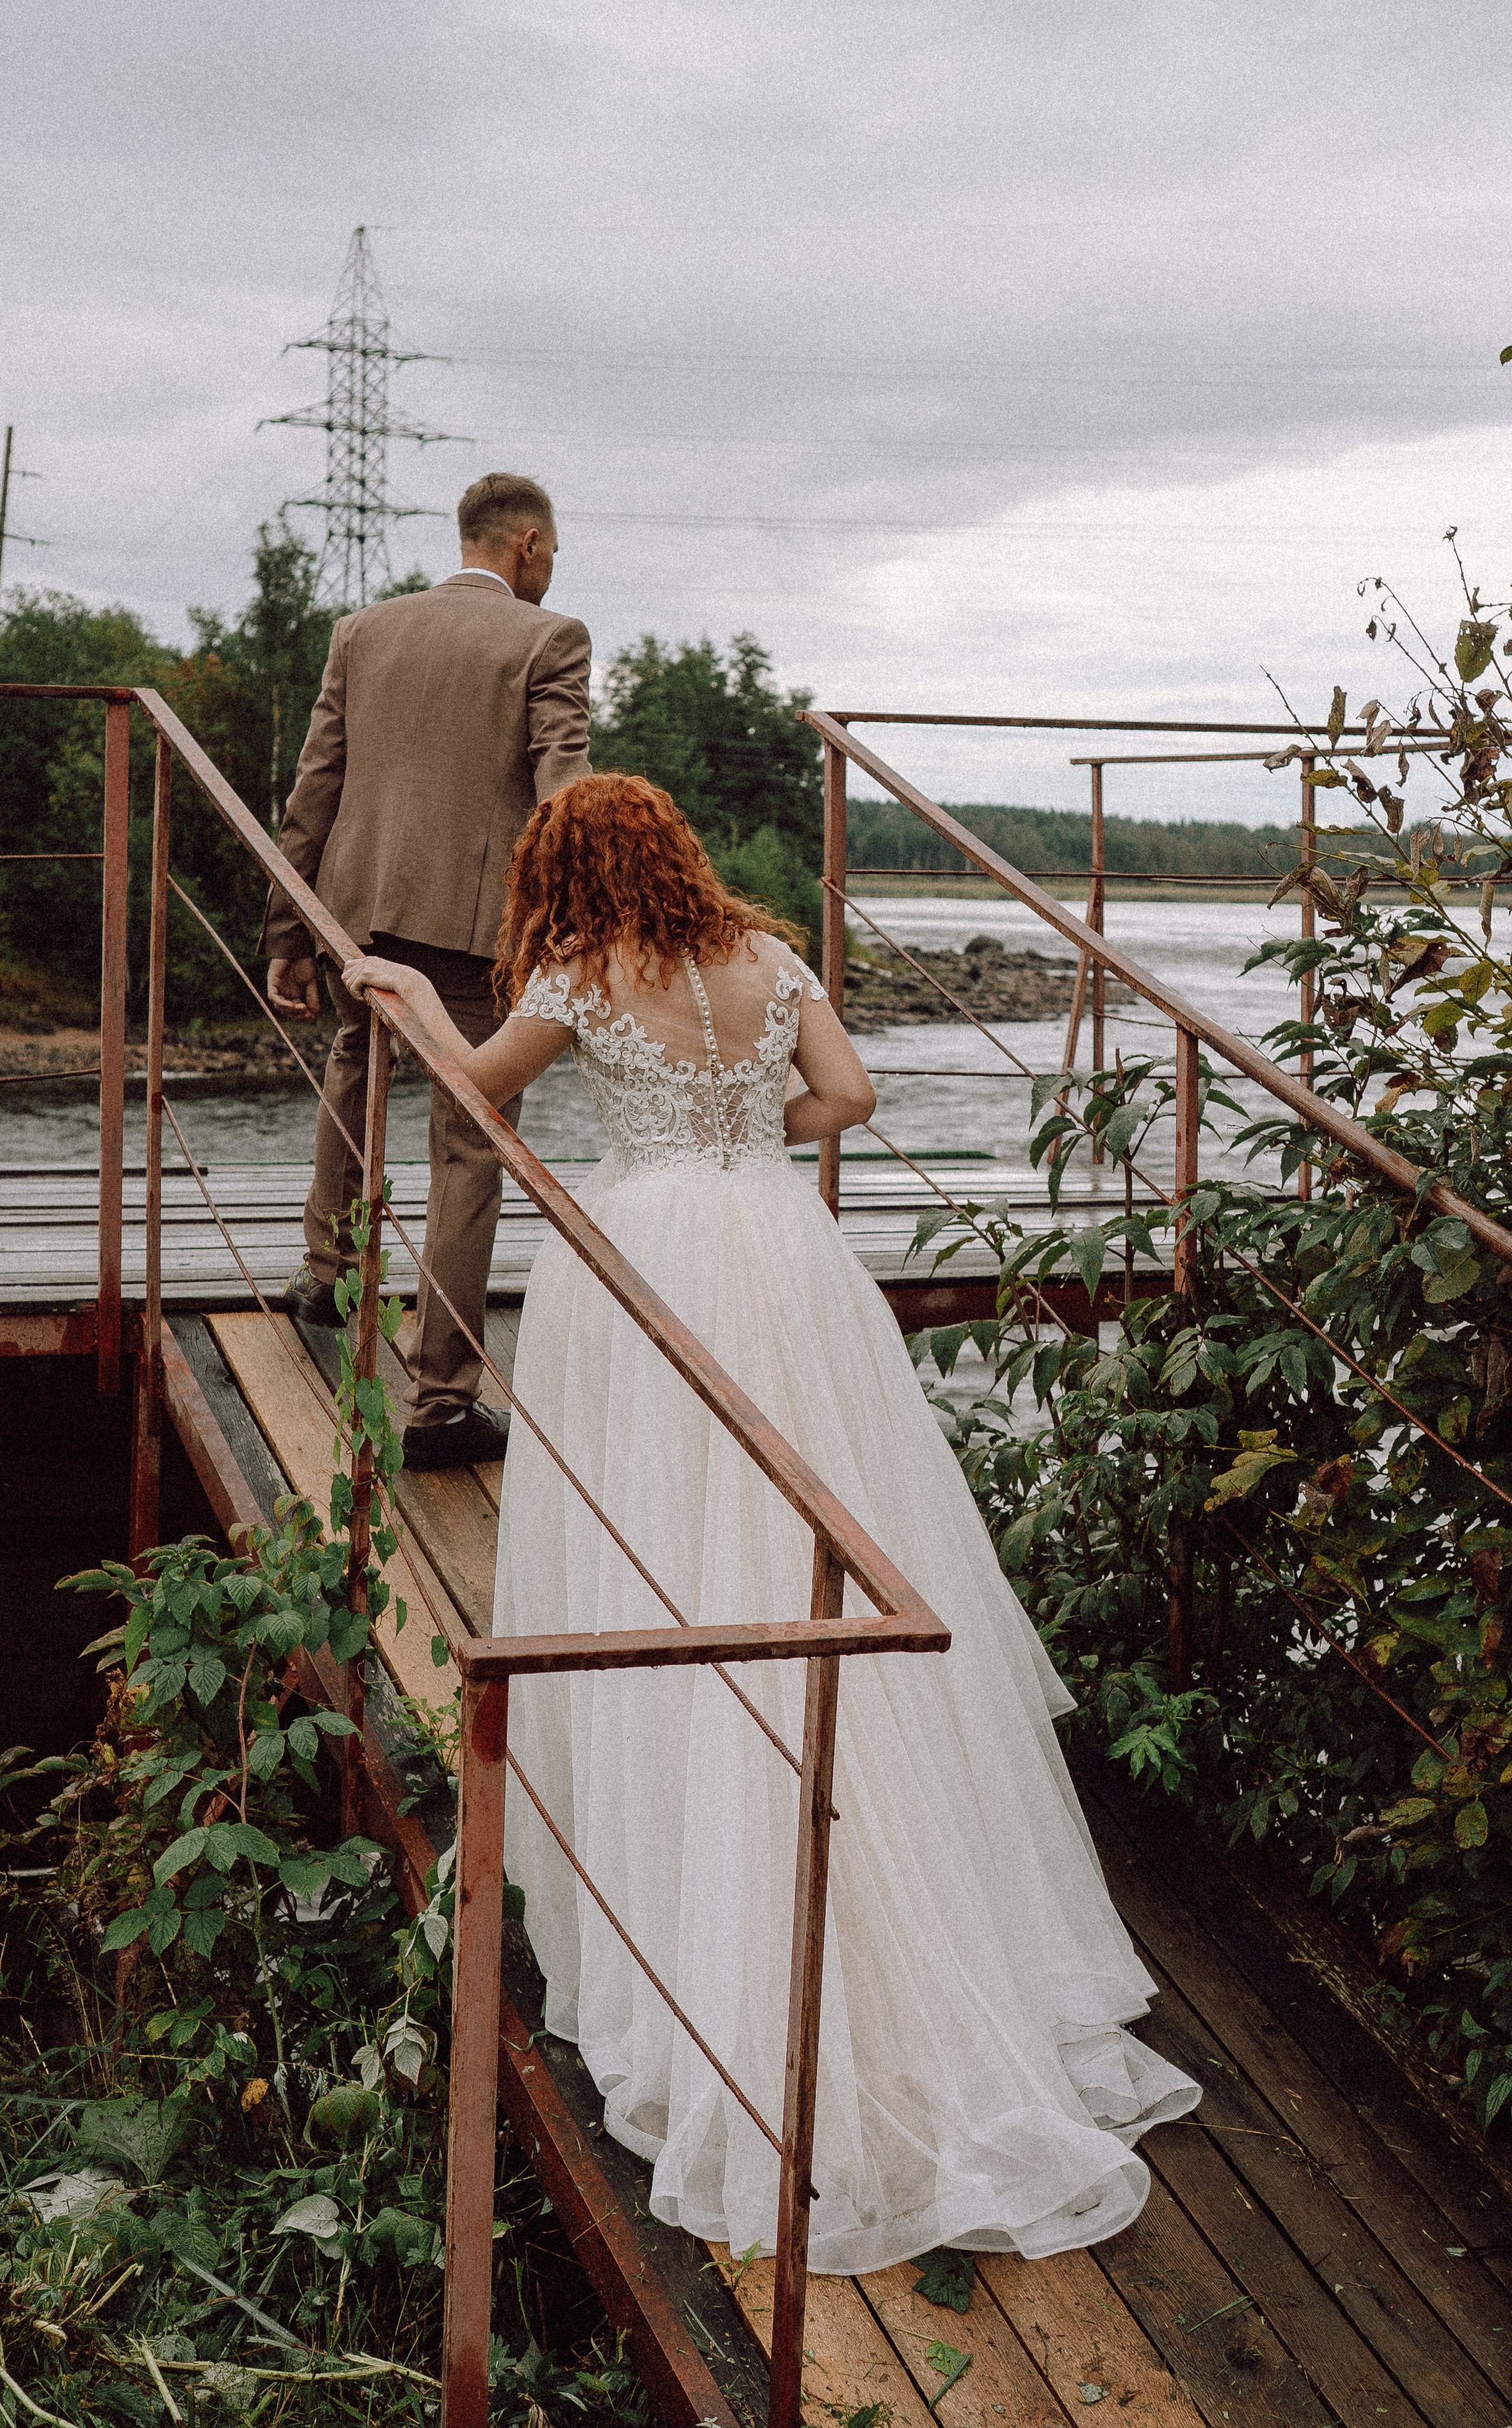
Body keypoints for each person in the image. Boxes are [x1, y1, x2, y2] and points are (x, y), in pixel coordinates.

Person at [341, 771, 1198, 2271]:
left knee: (661, 1535)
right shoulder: (769, 956)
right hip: (783, 1246)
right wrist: (748, 1136)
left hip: (648, 1247)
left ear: (564, 872)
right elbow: (850, 1101)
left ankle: (692, 1875)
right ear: (677, 851)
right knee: (822, 1503)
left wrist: (407, 993)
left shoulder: (578, 971)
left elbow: (478, 1090)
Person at [262, 471, 591, 1470]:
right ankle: (442, 1399)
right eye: (552, 551)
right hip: (476, 928)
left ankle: (327, 1272)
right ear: (526, 544)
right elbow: (564, 790)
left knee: (355, 1065)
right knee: (470, 1140)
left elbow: (317, 782)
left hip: (358, 910)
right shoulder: (550, 639)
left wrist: (288, 929)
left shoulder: (363, 632)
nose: (552, 568)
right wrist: (580, 916)